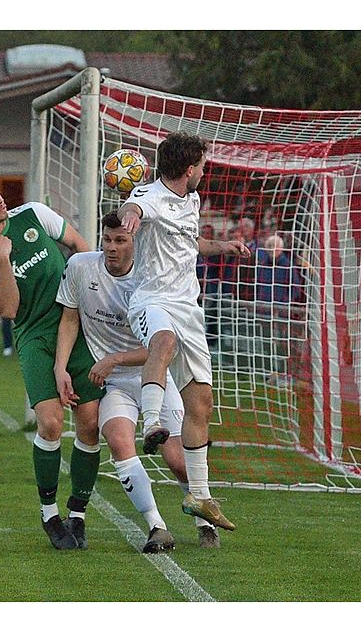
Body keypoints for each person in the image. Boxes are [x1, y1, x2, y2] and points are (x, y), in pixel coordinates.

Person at [0, 170, 104, 551]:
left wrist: (90, 291)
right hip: (34, 337)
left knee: (90, 422)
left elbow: (81, 247)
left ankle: (78, 513)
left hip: (76, 326)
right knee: (50, 424)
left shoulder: (34, 213)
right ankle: (49, 513)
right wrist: (4, 260)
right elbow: (9, 308)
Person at [55, 211, 222, 550]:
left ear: (137, 242)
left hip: (156, 379)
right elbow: (70, 319)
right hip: (115, 384)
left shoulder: (156, 281)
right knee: (117, 441)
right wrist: (60, 368)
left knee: (177, 460)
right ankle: (156, 527)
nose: (112, 247)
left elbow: (165, 348)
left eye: (121, 240)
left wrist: (114, 357)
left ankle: (205, 522)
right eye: (107, 239)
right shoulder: (80, 267)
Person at [117, 132, 250, 534]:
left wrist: (223, 247)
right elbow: (134, 206)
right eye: (203, 167)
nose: (204, 173)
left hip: (189, 309)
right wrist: (131, 216)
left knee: (202, 403)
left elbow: (190, 244)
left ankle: (200, 496)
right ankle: (152, 422)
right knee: (163, 342)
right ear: (190, 169)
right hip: (152, 301)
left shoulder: (191, 200)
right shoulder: (149, 194)